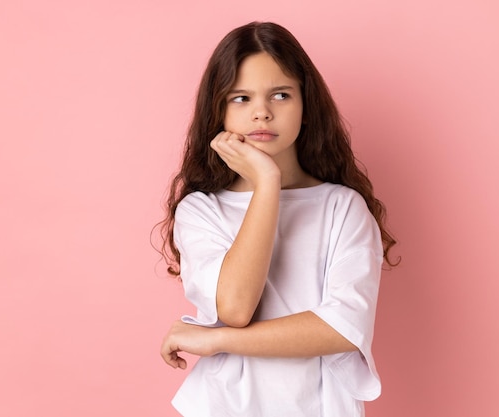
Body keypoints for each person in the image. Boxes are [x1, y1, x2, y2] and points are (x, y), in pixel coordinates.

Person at [157, 21, 396, 417]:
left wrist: (217, 341)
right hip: (223, 406)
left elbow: (341, 329)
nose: (262, 113)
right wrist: (267, 183)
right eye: (241, 98)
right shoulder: (201, 210)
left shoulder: (343, 208)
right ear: (217, 111)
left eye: (280, 95)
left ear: (306, 107)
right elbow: (235, 307)